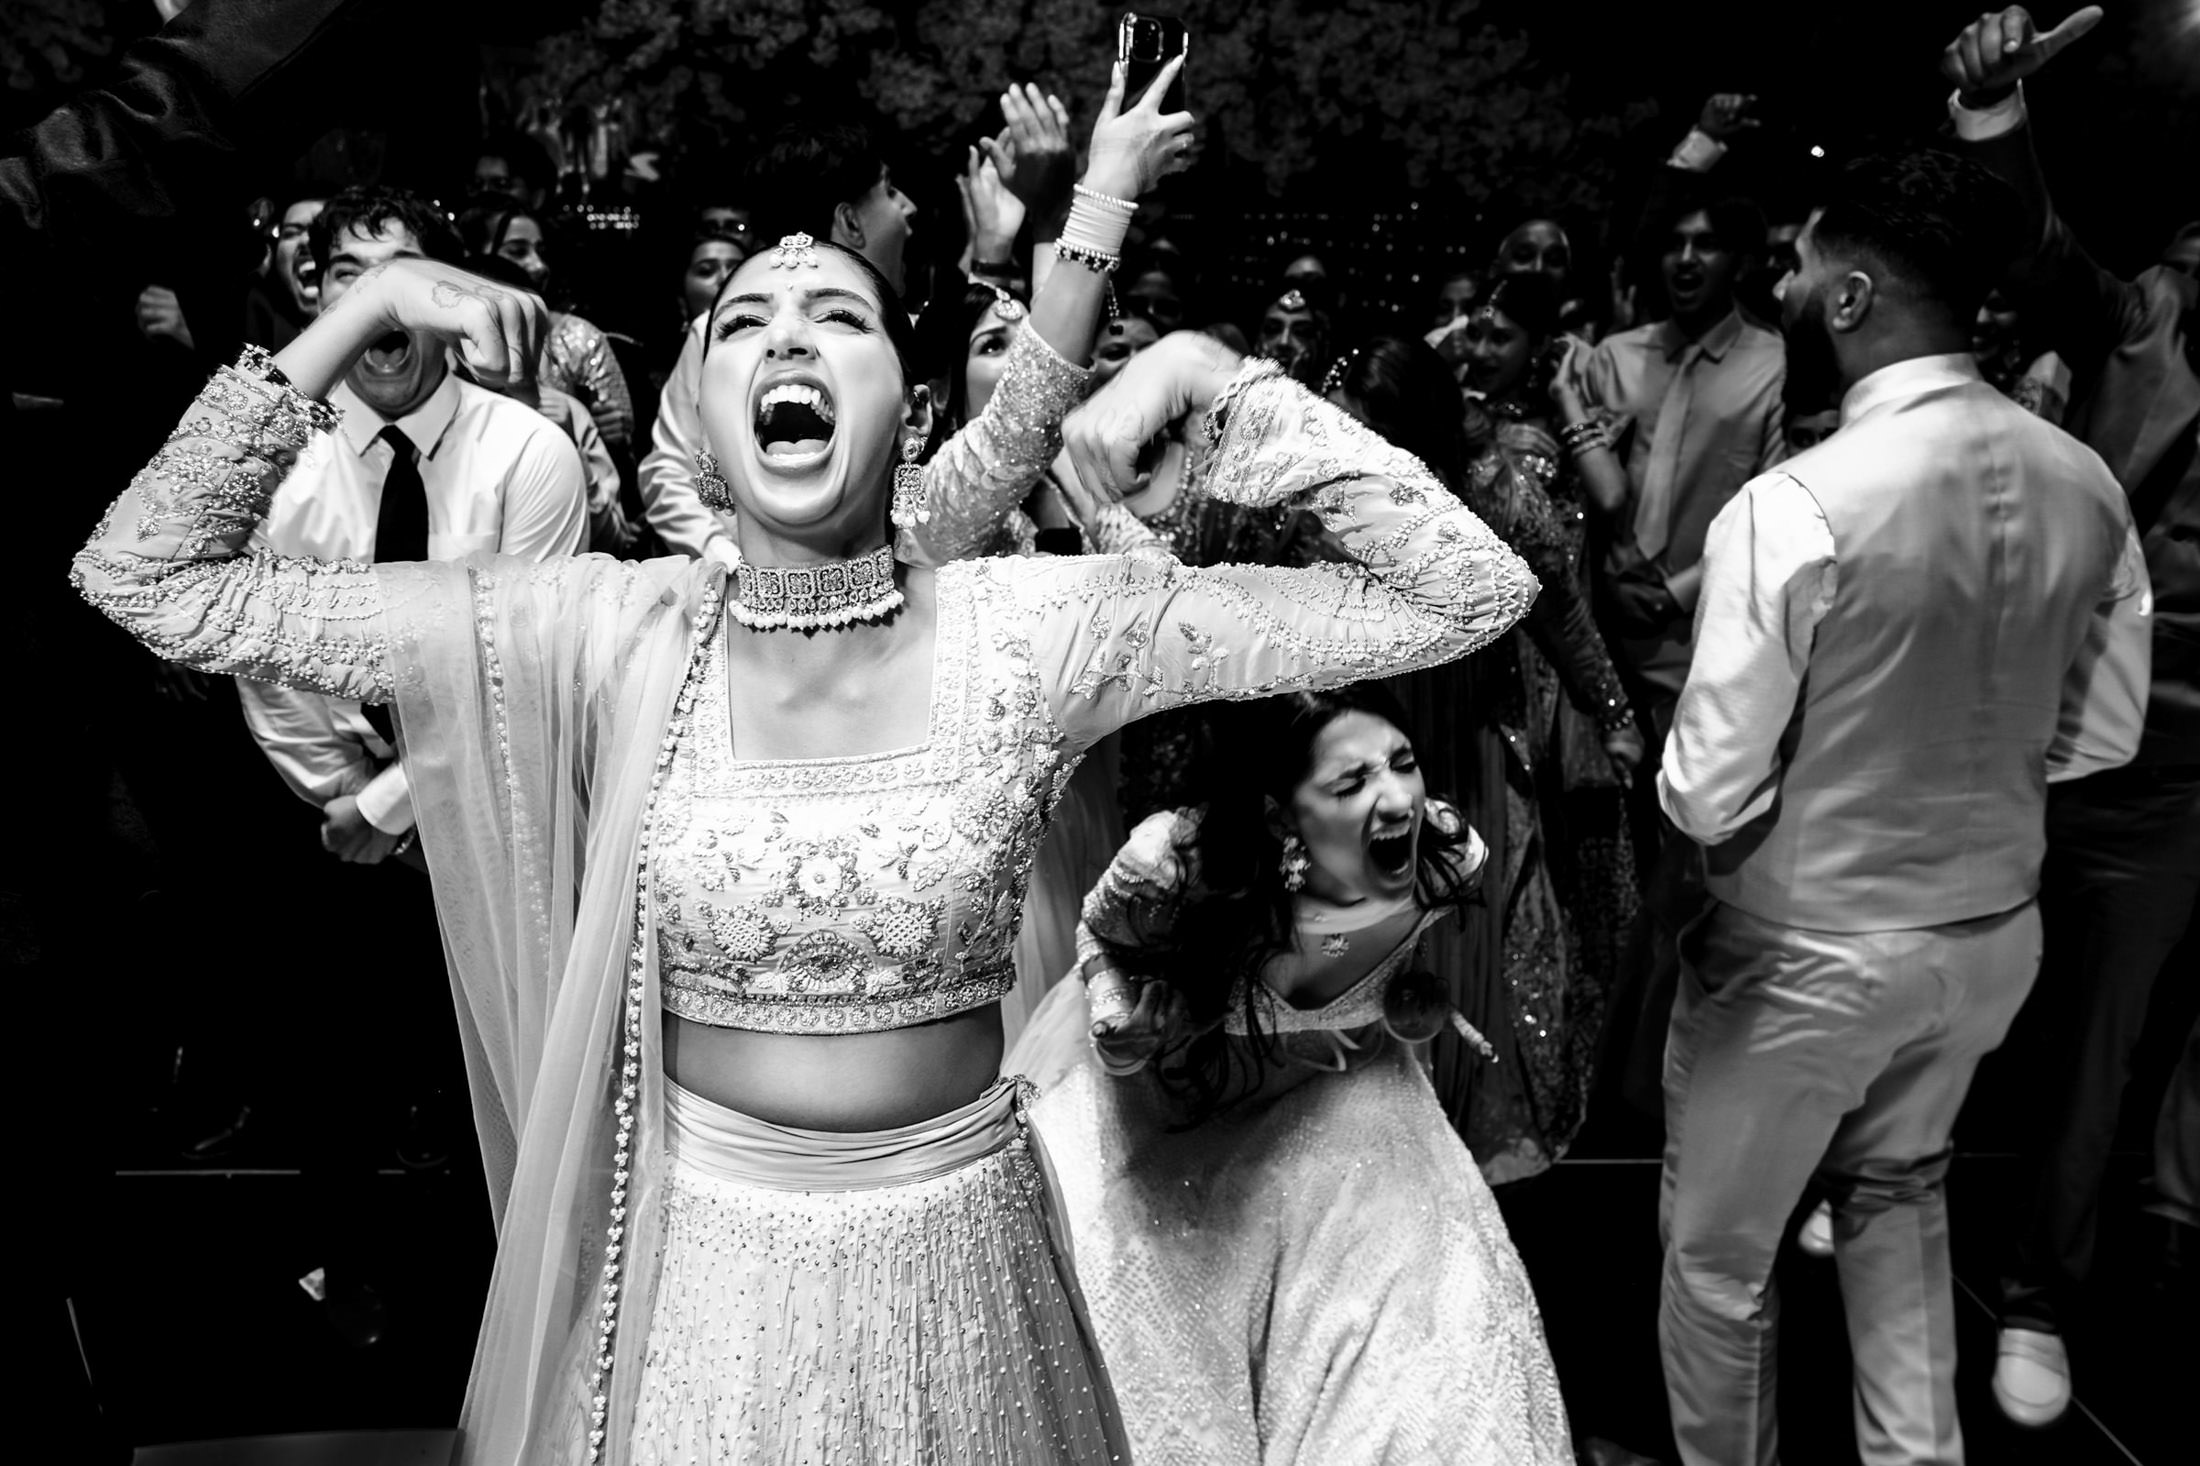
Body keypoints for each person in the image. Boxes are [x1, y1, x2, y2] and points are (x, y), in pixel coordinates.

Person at [1654, 147, 2152, 1466]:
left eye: (1800, 269)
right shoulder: (2084, 480)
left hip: (1808, 952)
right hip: (1987, 938)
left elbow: (1705, 789)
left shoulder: (1795, 502)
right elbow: (2105, 732)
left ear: (1854, 296)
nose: (1784, 288)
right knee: (1900, 1192)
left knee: (1718, 1263)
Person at [1005, 687, 1572, 1464]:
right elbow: (1099, 943)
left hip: (1353, 1108)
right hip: (1186, 1115)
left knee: (1428, 1348)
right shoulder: (1172, 861)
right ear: (1280, 816)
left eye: (1402, 762)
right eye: (1352, 782)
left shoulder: (1446, 854)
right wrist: (1121, 1027)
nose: (1396, 797)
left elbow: (1403, 969)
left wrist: (1410, 996)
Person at [1940, 2, 2200, 1428]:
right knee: (1987, 990)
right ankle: (1892, 1176)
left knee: (2110, 1043)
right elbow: (2039, 258)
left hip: (2180, 780)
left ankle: (2055, 1284)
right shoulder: (2151, 316)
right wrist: (1996, 114)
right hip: (2084, 740)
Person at [1327, 329, 1638, 1183]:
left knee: (1466, 911)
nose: (1348, 447)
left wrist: (1612, 712)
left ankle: (1461, 1119)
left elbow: (1561, 611)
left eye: (1367, 431)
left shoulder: (1490, 491)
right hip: (1362, 735)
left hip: (1465, 736)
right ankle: (1366, 1120)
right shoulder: (1324, 493)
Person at [638, 78, 1099, 563]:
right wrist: (736, 565)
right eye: (890, 190)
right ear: (851, 222)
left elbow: (1018, 406)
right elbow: (670, 471)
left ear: (916, 409)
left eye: (840, 318)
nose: (784, 340)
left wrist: (1019, 239)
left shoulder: (909, 344)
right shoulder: (715, 341)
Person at [459, 198, 638, 461]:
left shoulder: (578, 336)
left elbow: (616, 455)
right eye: (518, 251)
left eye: (541, 251)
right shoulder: (443, 339)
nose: (539, 266)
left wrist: (602, 430)